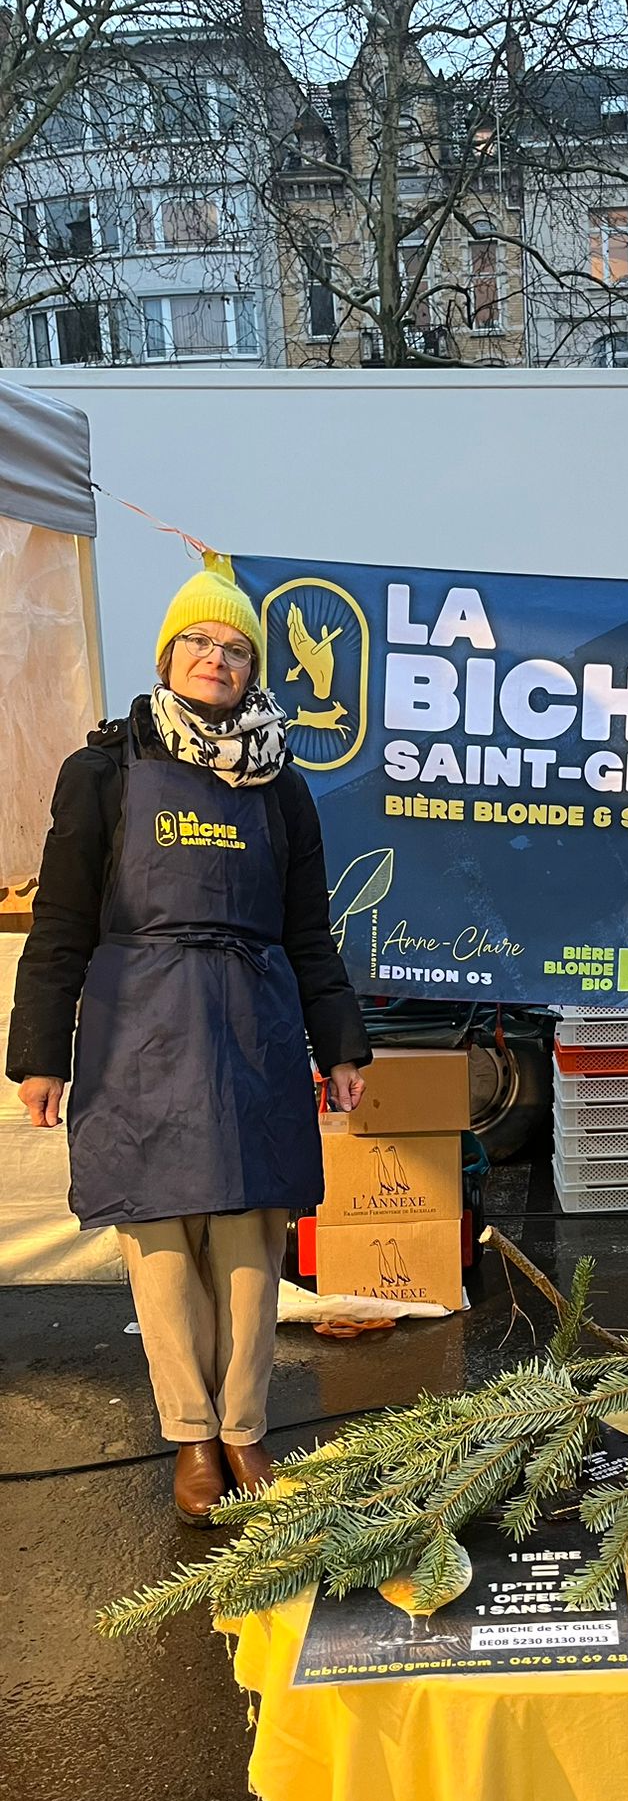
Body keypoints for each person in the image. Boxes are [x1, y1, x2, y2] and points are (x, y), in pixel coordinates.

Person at [7, 567, 372, 1521]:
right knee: (160, 1235)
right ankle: (192, 1435)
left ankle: (244, 1428)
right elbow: (62, 921)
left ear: (255, 670)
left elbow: (309, 931)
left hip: (253, 1020)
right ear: (168, 656)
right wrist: (40, 1052)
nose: (217, 659)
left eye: (237, 648)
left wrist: (339, 1044)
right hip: (138, 1026)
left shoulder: (283, 788)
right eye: (200, 643)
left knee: (251, 1235)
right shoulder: (103, 771)